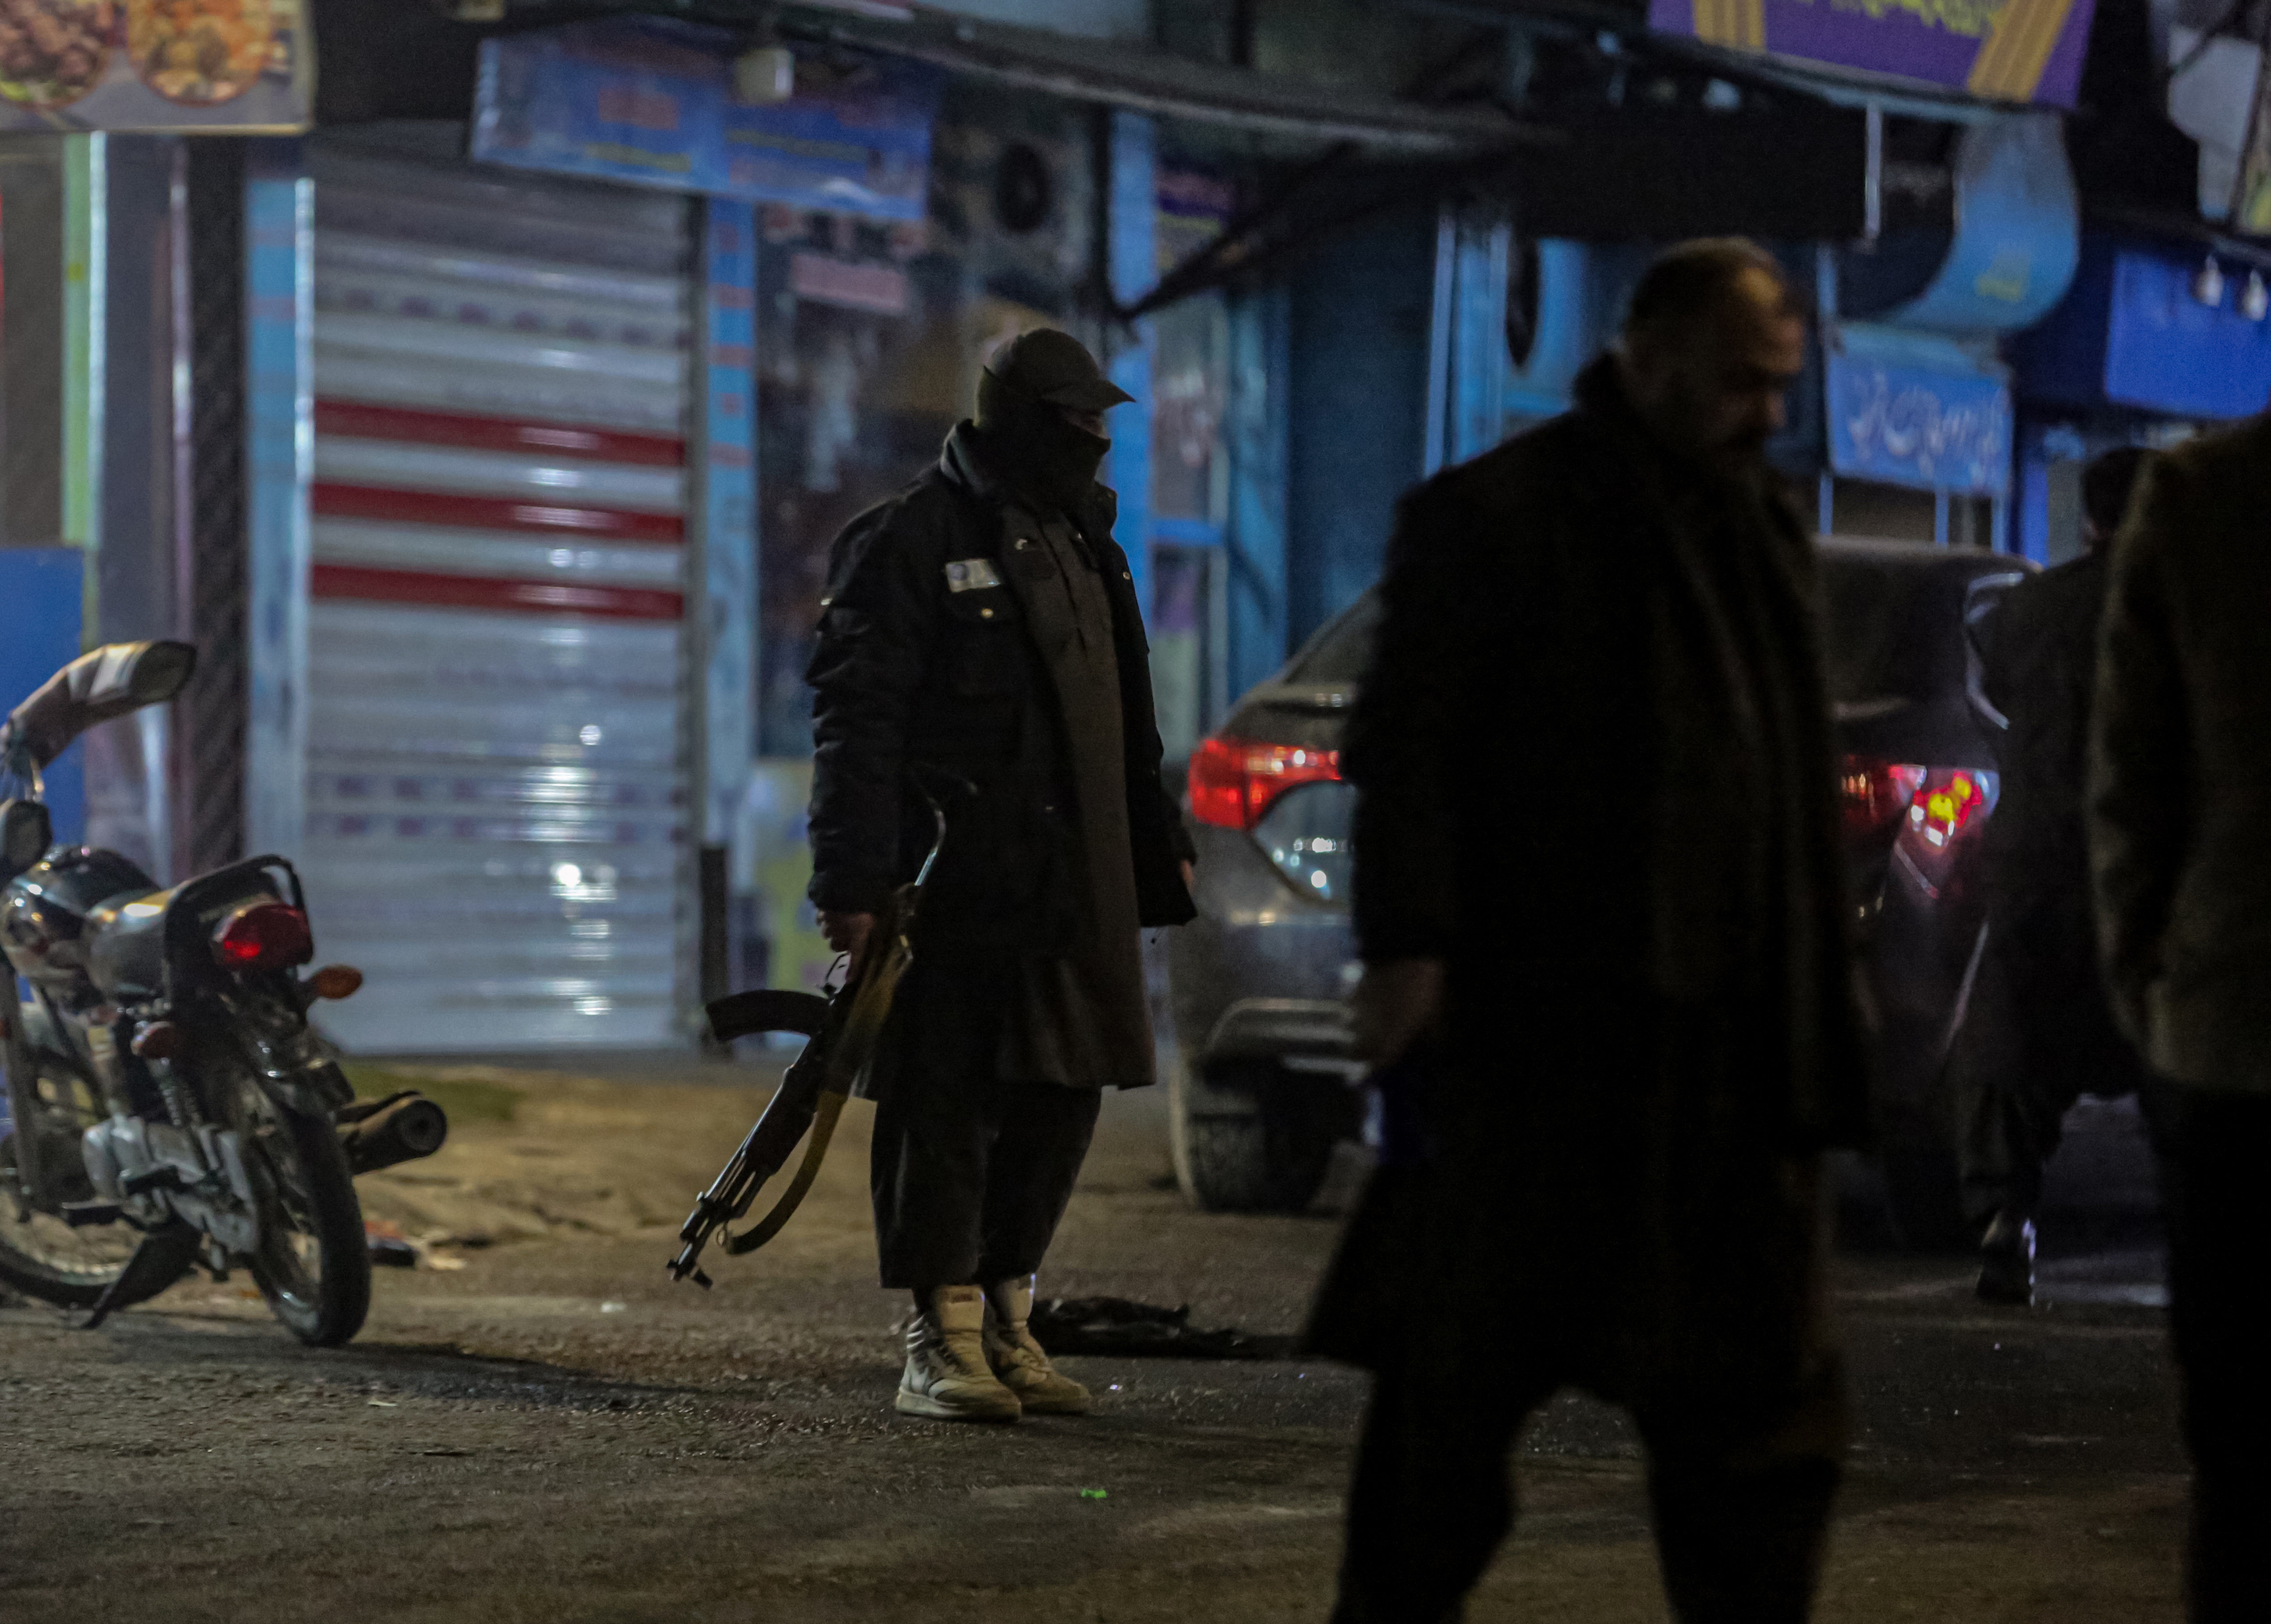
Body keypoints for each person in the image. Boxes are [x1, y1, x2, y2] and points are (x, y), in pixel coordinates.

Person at [1307, 240, 1869, 1623]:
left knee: (1759, 1432)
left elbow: (1789, 782)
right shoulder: (1502, 515)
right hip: (1543, 1050)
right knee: (1449, 1414)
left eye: (1780, 384)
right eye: (1743, 381)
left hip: (1731, 1067)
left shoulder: (1763, 526)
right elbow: (1409, 749)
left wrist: (1820, 1014)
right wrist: (1411, 954)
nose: (1766, 411)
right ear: (1652, 349)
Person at [804, 327, 1197, 1424]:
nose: (1097, 440)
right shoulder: (910, 541)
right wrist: (854, 883)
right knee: (949, 1106)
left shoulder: (1088, 541)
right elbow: (858, 721)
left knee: (1058, 1094)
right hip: (961, 882)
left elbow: (1125, 719)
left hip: (1079, 879)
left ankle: (1012, 1323)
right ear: (1019, 419)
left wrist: (1155, 841)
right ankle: (943, 1336)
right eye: (1078, 421)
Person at [2089, 415, 2271, 1622]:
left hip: (2234, 1039)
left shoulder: (2204, 494)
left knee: (2246, 1465)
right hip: (2224, 1029)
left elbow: (2129, 785)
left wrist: (2156, 992)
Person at [1953, 448, 2154, 1303]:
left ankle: (2006, 1220)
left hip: (2037, 867)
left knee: (2012, 1048)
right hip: (2143, 870)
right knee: (2175, 1056)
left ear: (2089, 520)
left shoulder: (2031, 608)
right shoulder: (2185, 606)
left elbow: (1996, 678)